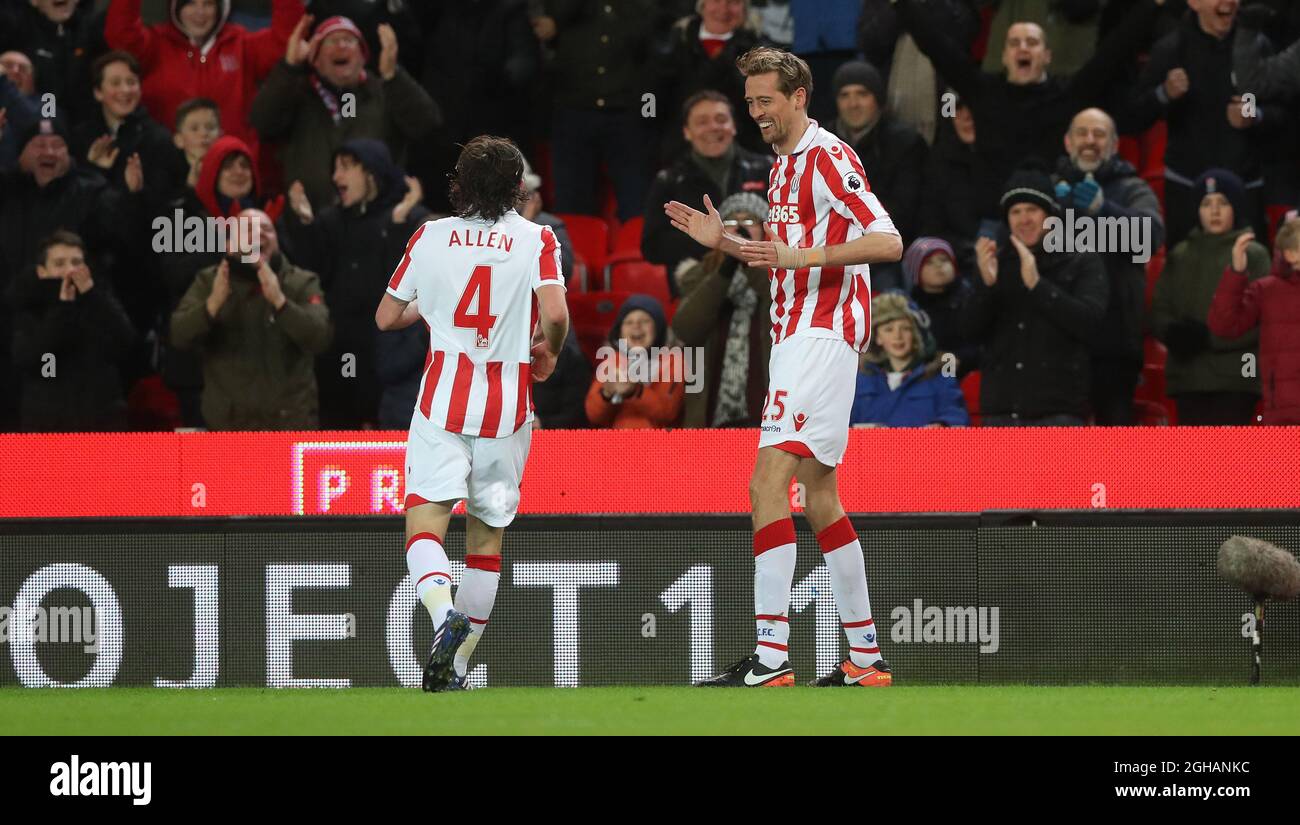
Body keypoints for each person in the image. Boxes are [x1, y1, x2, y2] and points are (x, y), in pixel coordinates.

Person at [665, 47, 902, 688]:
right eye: (751, 102)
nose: (757, 112)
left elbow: (888, 240)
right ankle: (866, 658)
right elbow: (782, 255)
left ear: (800, 97)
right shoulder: (782, 166)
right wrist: (728, 245)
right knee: (820, 495)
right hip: (802, 335)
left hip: (820, 334)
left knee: (766, 485)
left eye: (766, 99)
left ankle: (770, 658)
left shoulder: (826, 155)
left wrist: (806, 258)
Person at [373, 135, 569, 693]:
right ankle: (455, 671)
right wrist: (549, 350)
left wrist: (429, 305)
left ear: (457, 183)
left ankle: (442, 618)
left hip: (442, 405)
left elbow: (387, 317)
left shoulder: (429, 236)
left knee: (424, 525)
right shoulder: (537, 239)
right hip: (508, 411)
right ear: (518, 189)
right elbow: (554, 312)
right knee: (485, 543)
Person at [892, 0, 1165, 222]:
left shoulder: (1068, 94)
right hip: (993, 221)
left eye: (1032, 43)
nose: (1023, 48)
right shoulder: (983, 90)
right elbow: (937, 47)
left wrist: (1151, 5)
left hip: (1053, 222)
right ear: (1004, 55)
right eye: (1015, 43)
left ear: (1047, 56)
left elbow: (1114, 52)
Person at [282, 137, 430, 429]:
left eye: (346, 168)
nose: (336, 177)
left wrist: (399, 224)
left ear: (371, 172)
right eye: (335, 169)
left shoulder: (410, 218)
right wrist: (306, 226)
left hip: (392, 357)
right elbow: (313, 275)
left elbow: (409, 281)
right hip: (339, 354)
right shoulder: (329, 221)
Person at [1120, 0, 1281, 246]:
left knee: (1250, 276)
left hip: (1245, 186)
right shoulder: (1171, 49)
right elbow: (1132, 117)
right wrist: (1164, 93)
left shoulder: (1256, 45)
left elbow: (1278, 109)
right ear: (1194, 3)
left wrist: (1253, 114)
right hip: (1187, 188)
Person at [249, 15, 441, 208]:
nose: (341, 46)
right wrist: (289, 67)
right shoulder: (296, 94)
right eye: (331, 41)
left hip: (376, 221)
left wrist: (393, 76)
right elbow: (263, 123)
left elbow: (426, 124)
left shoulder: (385, 91)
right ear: (314, 59)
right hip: (307, 222)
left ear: (362, 56)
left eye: (349, 40)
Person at [967, 167, 1108, 426]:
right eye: (1015, 212)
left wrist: (1037, 285)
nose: (1024, 219)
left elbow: (1092, 325)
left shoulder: (1081, 260)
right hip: (1001, 413)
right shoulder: (994, 264)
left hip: (1058, 413)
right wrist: (987, 287)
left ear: (1050, 215)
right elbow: (968, 333)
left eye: (1032, 210)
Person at [169, 209, 332, 430]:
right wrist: (213, 303)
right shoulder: (209, 281)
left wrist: (281, 303)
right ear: (229, 245)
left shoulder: (301, 282)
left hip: (290, 427)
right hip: (228, 431)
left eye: (267, 229)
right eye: (247, 229)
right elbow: (179, 335)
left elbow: (320, 338)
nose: (259, 233)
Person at [1052, 108, 1165, 425]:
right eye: (1082, 133)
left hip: (1114, 345)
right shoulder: (1048, 189)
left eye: (1099, 134)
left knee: (1113, 453)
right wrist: (1053, 213)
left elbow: (1149, 239)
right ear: (1067, 141)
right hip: (1058, 344)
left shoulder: (1133, 189)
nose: (1090, 141)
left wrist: (1104, 209)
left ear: (1115, 145)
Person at [104, 0, 306, 175]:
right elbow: (121, 33)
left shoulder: (242, 45)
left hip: (232, 175)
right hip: (166, 174)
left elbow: (288, 39)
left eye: (208, 3)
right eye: (190, 3)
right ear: (175, 6)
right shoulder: (154, 45)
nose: (199, 12)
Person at [1152, 169, 1268, 425]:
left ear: (1235, 208)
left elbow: (1263, 318)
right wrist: (1174, 333)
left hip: (1236, 380)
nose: (1214, 211)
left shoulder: (1254, 254)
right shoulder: (1180, 254)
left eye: (1223, 203)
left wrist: (1208, 338)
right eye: (1206, 204)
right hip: (1188, 379)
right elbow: (1159, 310)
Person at [642, 90, 771, 295]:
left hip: (763, 285)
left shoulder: (767, 169)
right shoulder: (669, 181)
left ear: (734, 126)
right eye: (702, 122)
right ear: (687, 132)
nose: (713, 127)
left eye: (721, 119)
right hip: (697, 289)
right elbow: (653, 247)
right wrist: (714, 240)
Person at [537, 0, 656, 221]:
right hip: (571, 110)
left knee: (637, 201)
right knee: (572, 201)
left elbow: (657, 61)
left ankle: (636, 254)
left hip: (631, 112)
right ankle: (572, 254)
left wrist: (650, 115)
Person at [10, 231, 135, 432]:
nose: (70, 270)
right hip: (49, 423)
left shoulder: (99, 299)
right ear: (42, 271)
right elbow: (33, 357)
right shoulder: (29, 306)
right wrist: (63, 308)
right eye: (60, 264)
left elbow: (125, 340)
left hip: (101, 419)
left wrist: (92, 296)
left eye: (76, 262)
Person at [670, 192, 771, 426]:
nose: (740, 229)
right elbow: (685, 328)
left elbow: (777, 297)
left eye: (749, 221)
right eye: (731, 223)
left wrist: (745, 257)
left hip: (767, 413)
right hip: (710, 413)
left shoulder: (781, 275)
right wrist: (725, 269)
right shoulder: (698, 274)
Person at [829, 60, 927, 291]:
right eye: (845, 95)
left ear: (878, 99)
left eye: (862, 94)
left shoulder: (905, 143)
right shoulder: (820, 142)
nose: (853, 104)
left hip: (886, 251)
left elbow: (905, 209)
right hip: (830, 251)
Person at [1208, 219, 1300, 424]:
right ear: (1290, 254)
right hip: (1284, 417)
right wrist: (1236, 273)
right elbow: (1224, 324)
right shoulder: (1266, 290)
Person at [654, 0, 766, 156]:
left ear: (745, 9)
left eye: (733, 2)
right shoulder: (673, 45)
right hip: (680, 152)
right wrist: (649, 121)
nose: (724, 8)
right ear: (702, 5)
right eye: (716, 0)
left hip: (744, 152)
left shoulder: (763, 53)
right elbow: (650, 96)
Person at [850, 291, 969, 428]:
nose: (898, 336)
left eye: (905, 329)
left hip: (925, 448)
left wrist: (942, 425)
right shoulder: (861, 380)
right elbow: (843, 424)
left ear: (916, 335)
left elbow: (956, 415)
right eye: (889, 330)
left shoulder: (940, 376)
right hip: (872, 449)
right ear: (878, 338)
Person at [584, 294, 685, 428]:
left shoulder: (674, 361)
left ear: (659, 329)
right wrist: (605, 394)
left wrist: (635, 391)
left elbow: (668, 412)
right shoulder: (613, 361)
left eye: (645, 321)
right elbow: (594, 415)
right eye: (628, 322)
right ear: (620, 333)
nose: (636, 326)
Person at [902, 236, 979, 377]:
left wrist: (959, 358)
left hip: (969, 374)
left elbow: (983, 343)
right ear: (915, 270)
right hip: (922, 377)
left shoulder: (972, 298)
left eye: (944, 260)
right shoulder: (909, 308)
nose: (939, 266)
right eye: (929, 262)